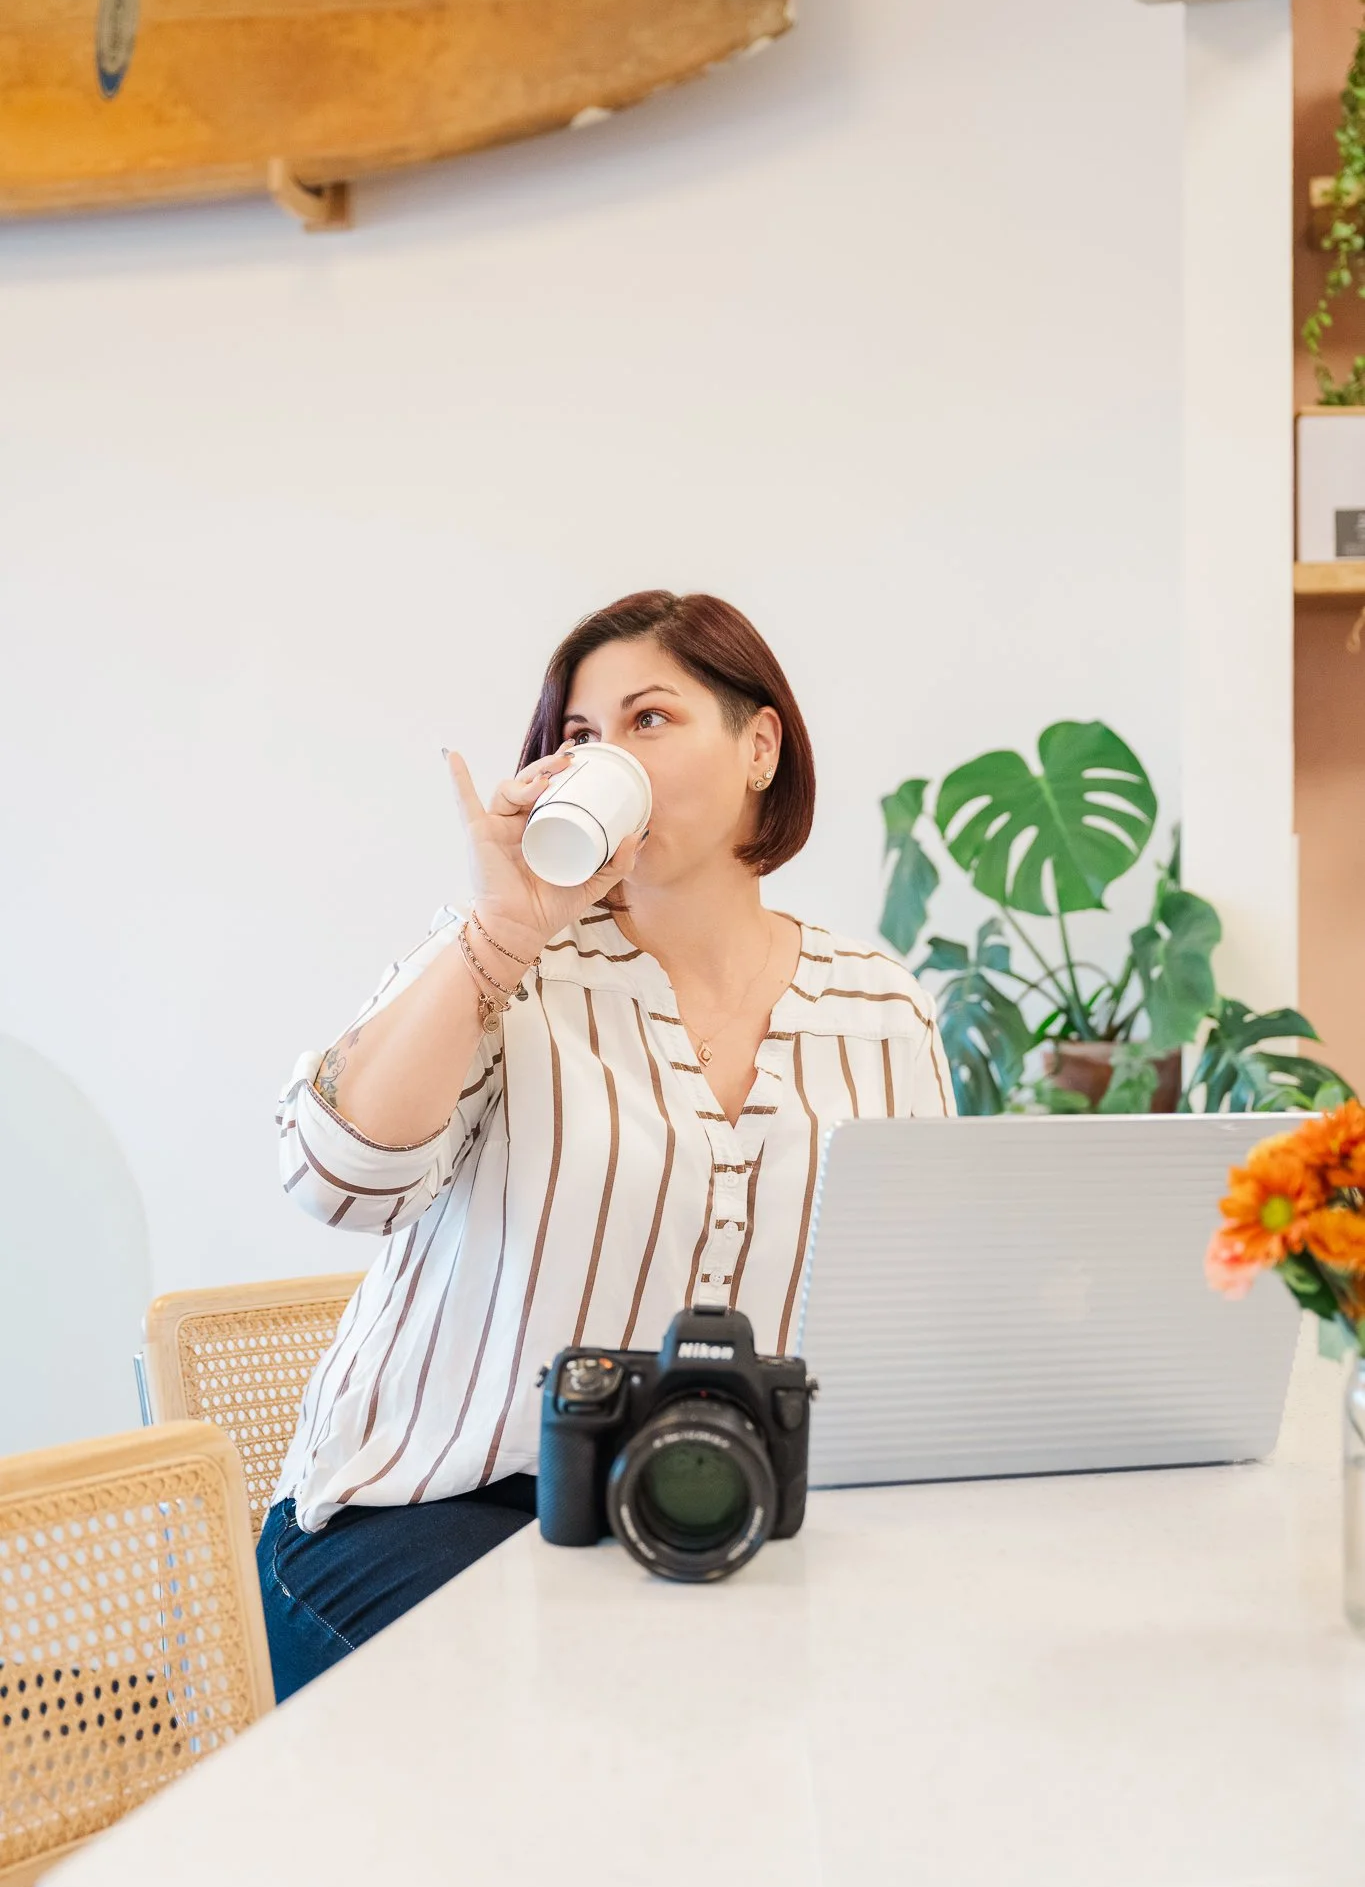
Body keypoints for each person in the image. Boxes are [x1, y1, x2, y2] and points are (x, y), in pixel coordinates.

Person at [258, 590, 954, 1698]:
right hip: (426, 1514)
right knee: (646, 1717)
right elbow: (337, 1179)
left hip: (710, 1515)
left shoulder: (880, 1008)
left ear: (759, 744)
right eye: (578, 735)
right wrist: (507, 925)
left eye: (648, 719)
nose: (602, 754)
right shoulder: (502, 962)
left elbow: (916, 1307)